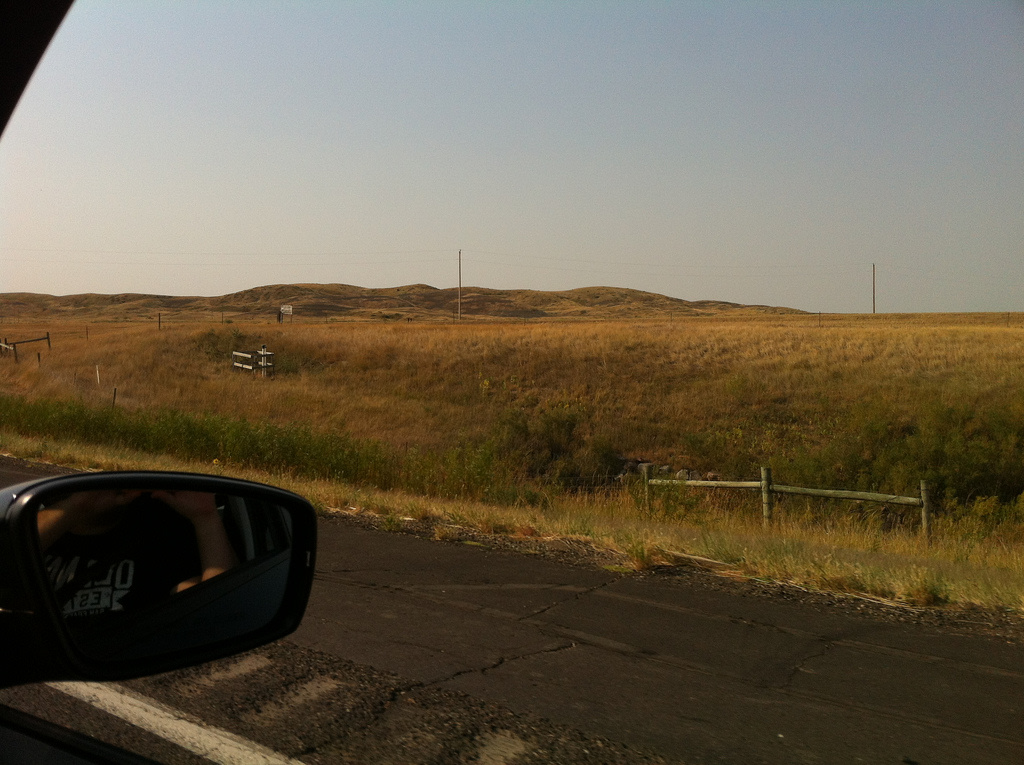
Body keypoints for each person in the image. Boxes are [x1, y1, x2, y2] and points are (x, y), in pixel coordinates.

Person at [37, 489, 239, 620]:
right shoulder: (35, 537)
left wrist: (205, 517)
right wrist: (74, 508)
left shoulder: (161, 537)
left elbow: (218, 614)